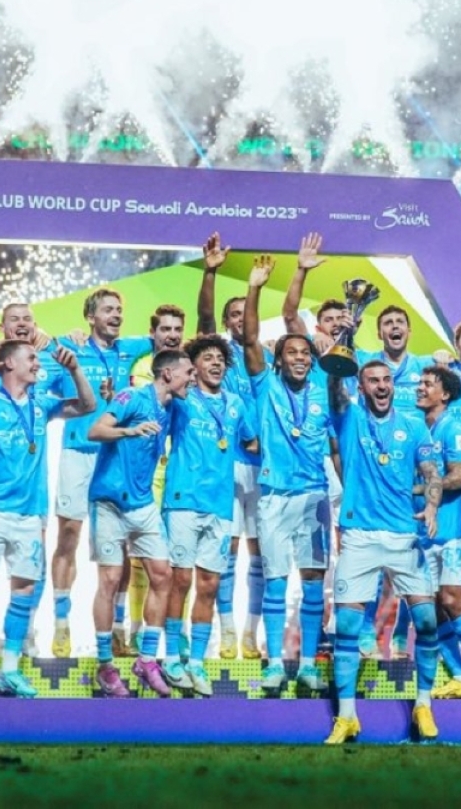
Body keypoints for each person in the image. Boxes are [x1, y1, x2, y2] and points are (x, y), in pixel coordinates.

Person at [0, 338, 94, 697]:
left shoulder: (41, 404)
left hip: (29, 512)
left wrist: (75, 369)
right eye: (30, 358)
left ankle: (10, 668)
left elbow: (88, 405)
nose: (37, 363)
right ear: (9, 364)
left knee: (25, 589)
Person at [325, 360, 443, 744]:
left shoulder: (413, 425)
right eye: (373, 381)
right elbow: (334, 391)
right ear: (361, 388)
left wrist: (432, 505)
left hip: (403, 536)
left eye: (386, 380)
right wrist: (339, 357)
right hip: (359, 535)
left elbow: (432, 473)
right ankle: (346, 717)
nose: (381, 386)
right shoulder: (350, 417)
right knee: (346, 627)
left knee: (427, 621)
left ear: (394, 385)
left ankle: (423, 704)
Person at [242, 254, 333, 696]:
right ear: (277, 361)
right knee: (276, 581)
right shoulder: (266, 387)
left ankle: (310, 665)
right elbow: (248, 339)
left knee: (313, 582)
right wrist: (255, 288)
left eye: (305, 353)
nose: (299, 357)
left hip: (315, 497)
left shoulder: (323, 391)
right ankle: (275, 664)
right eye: (291, 352)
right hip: (275, 497)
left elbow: (337, 446)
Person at [51, 287, 153, 658]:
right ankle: (61, 624)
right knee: (68, 535)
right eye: (108, 309)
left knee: (119, 544)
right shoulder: (69, 347)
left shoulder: (131, 349)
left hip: (114, 455)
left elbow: (170, 338)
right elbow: (34, 345)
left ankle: (118, 629)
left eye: (119, 309)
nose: (116, 315)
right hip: (78, 452)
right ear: (90, 317)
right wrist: (61, 336)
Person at [87, 348, 194, 697]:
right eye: (188, 373)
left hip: (143, 503)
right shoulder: (132, 397)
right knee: (110, 579)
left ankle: (146, 660)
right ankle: (105, 666)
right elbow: (95, 430)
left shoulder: (174, 407)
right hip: (109, 502)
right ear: (168, 374)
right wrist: (130, 431)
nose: (192, 379)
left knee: (163, 575)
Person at [160, 336, 246, 695]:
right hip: (183, 499)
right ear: (193, 367)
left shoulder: (236, 404)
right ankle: (171, 655)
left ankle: (196, 661)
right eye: (208, 358)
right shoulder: (181, 401)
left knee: (209, 584)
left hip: (220, 505)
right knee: (180, 580)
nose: (216, 363)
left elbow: (251, 441)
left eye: (220, 359)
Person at [196, 232, 265, 661]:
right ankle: (225, 631)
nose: (240, 319)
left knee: (259, 553)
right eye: (233, 315)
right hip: (225, 464)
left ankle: (251, 633)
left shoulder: (263, 357)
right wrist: (210, 274)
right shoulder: (218, 355)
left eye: (245, 313)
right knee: (228, 549)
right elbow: (204, 318)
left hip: (262, 466)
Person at [417, 364, 461, 700]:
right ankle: (459, 675)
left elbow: (458, 477)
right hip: (424, 531)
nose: (420, 388)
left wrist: (421, 489)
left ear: (445, 394)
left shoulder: (454, 428)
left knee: (451, 599)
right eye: (419, 383)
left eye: (428, 384)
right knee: (429, 608)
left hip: (455, 529)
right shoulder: (417, 429)